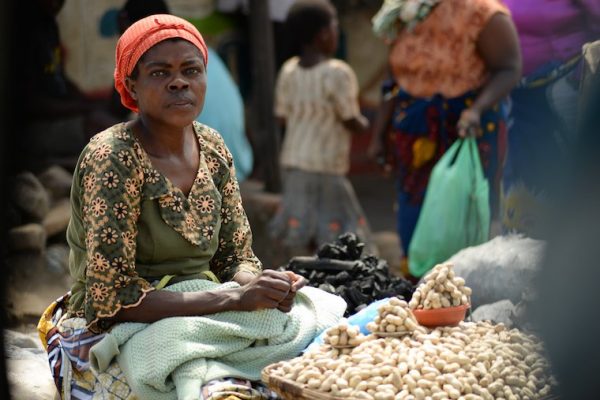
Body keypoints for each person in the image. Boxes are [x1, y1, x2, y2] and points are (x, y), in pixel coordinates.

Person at [37, 14, 336, 399]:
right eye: (160, 73)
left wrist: (263, 287)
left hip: (203, 302)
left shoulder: (211, 147)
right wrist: (232, 298)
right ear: (132, 85)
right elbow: (110, 297)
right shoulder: (112, 158)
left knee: (320, 316)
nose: (179, 82)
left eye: (191, 70)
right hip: (122, 322)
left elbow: (236, 257)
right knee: (203, 378)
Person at [368, 0, 522, 275]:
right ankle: (418, 294)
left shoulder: (482, 13)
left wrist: (476, 110)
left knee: (459, 220)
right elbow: (392, 80)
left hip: (465, 130)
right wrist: (379, 134)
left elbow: (509, 67)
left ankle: (459, 293)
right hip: (415, 133)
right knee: (413, 218)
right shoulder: (404, 9)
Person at [269, 0, 374, 255]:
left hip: (294, 163)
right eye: (335, 27)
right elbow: (350, 118)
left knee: (302, 233)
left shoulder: (288, 70)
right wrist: (366, 123)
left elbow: (281, 116)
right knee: (345, 236)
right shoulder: (338, 73)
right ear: (324, 34)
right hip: (326, 166)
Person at [500, 0, 600, 237]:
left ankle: (562, 254)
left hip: (563, 92)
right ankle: (520, 248)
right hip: (519, 97)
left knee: (558, 171)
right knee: (523, 176)